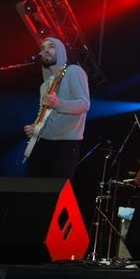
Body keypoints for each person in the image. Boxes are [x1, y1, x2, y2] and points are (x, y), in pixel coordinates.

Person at [23, 37, 90, 179]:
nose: (45, 50)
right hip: (43, 142)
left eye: (51, 46)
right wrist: (35, 126)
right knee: (31, 186)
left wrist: (58, 103)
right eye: (42, 48)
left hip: (65, 144)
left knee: (57, 190)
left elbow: (84, 104)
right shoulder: (44, 85)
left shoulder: (74, 71)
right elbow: (43, 112)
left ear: (60, 51)